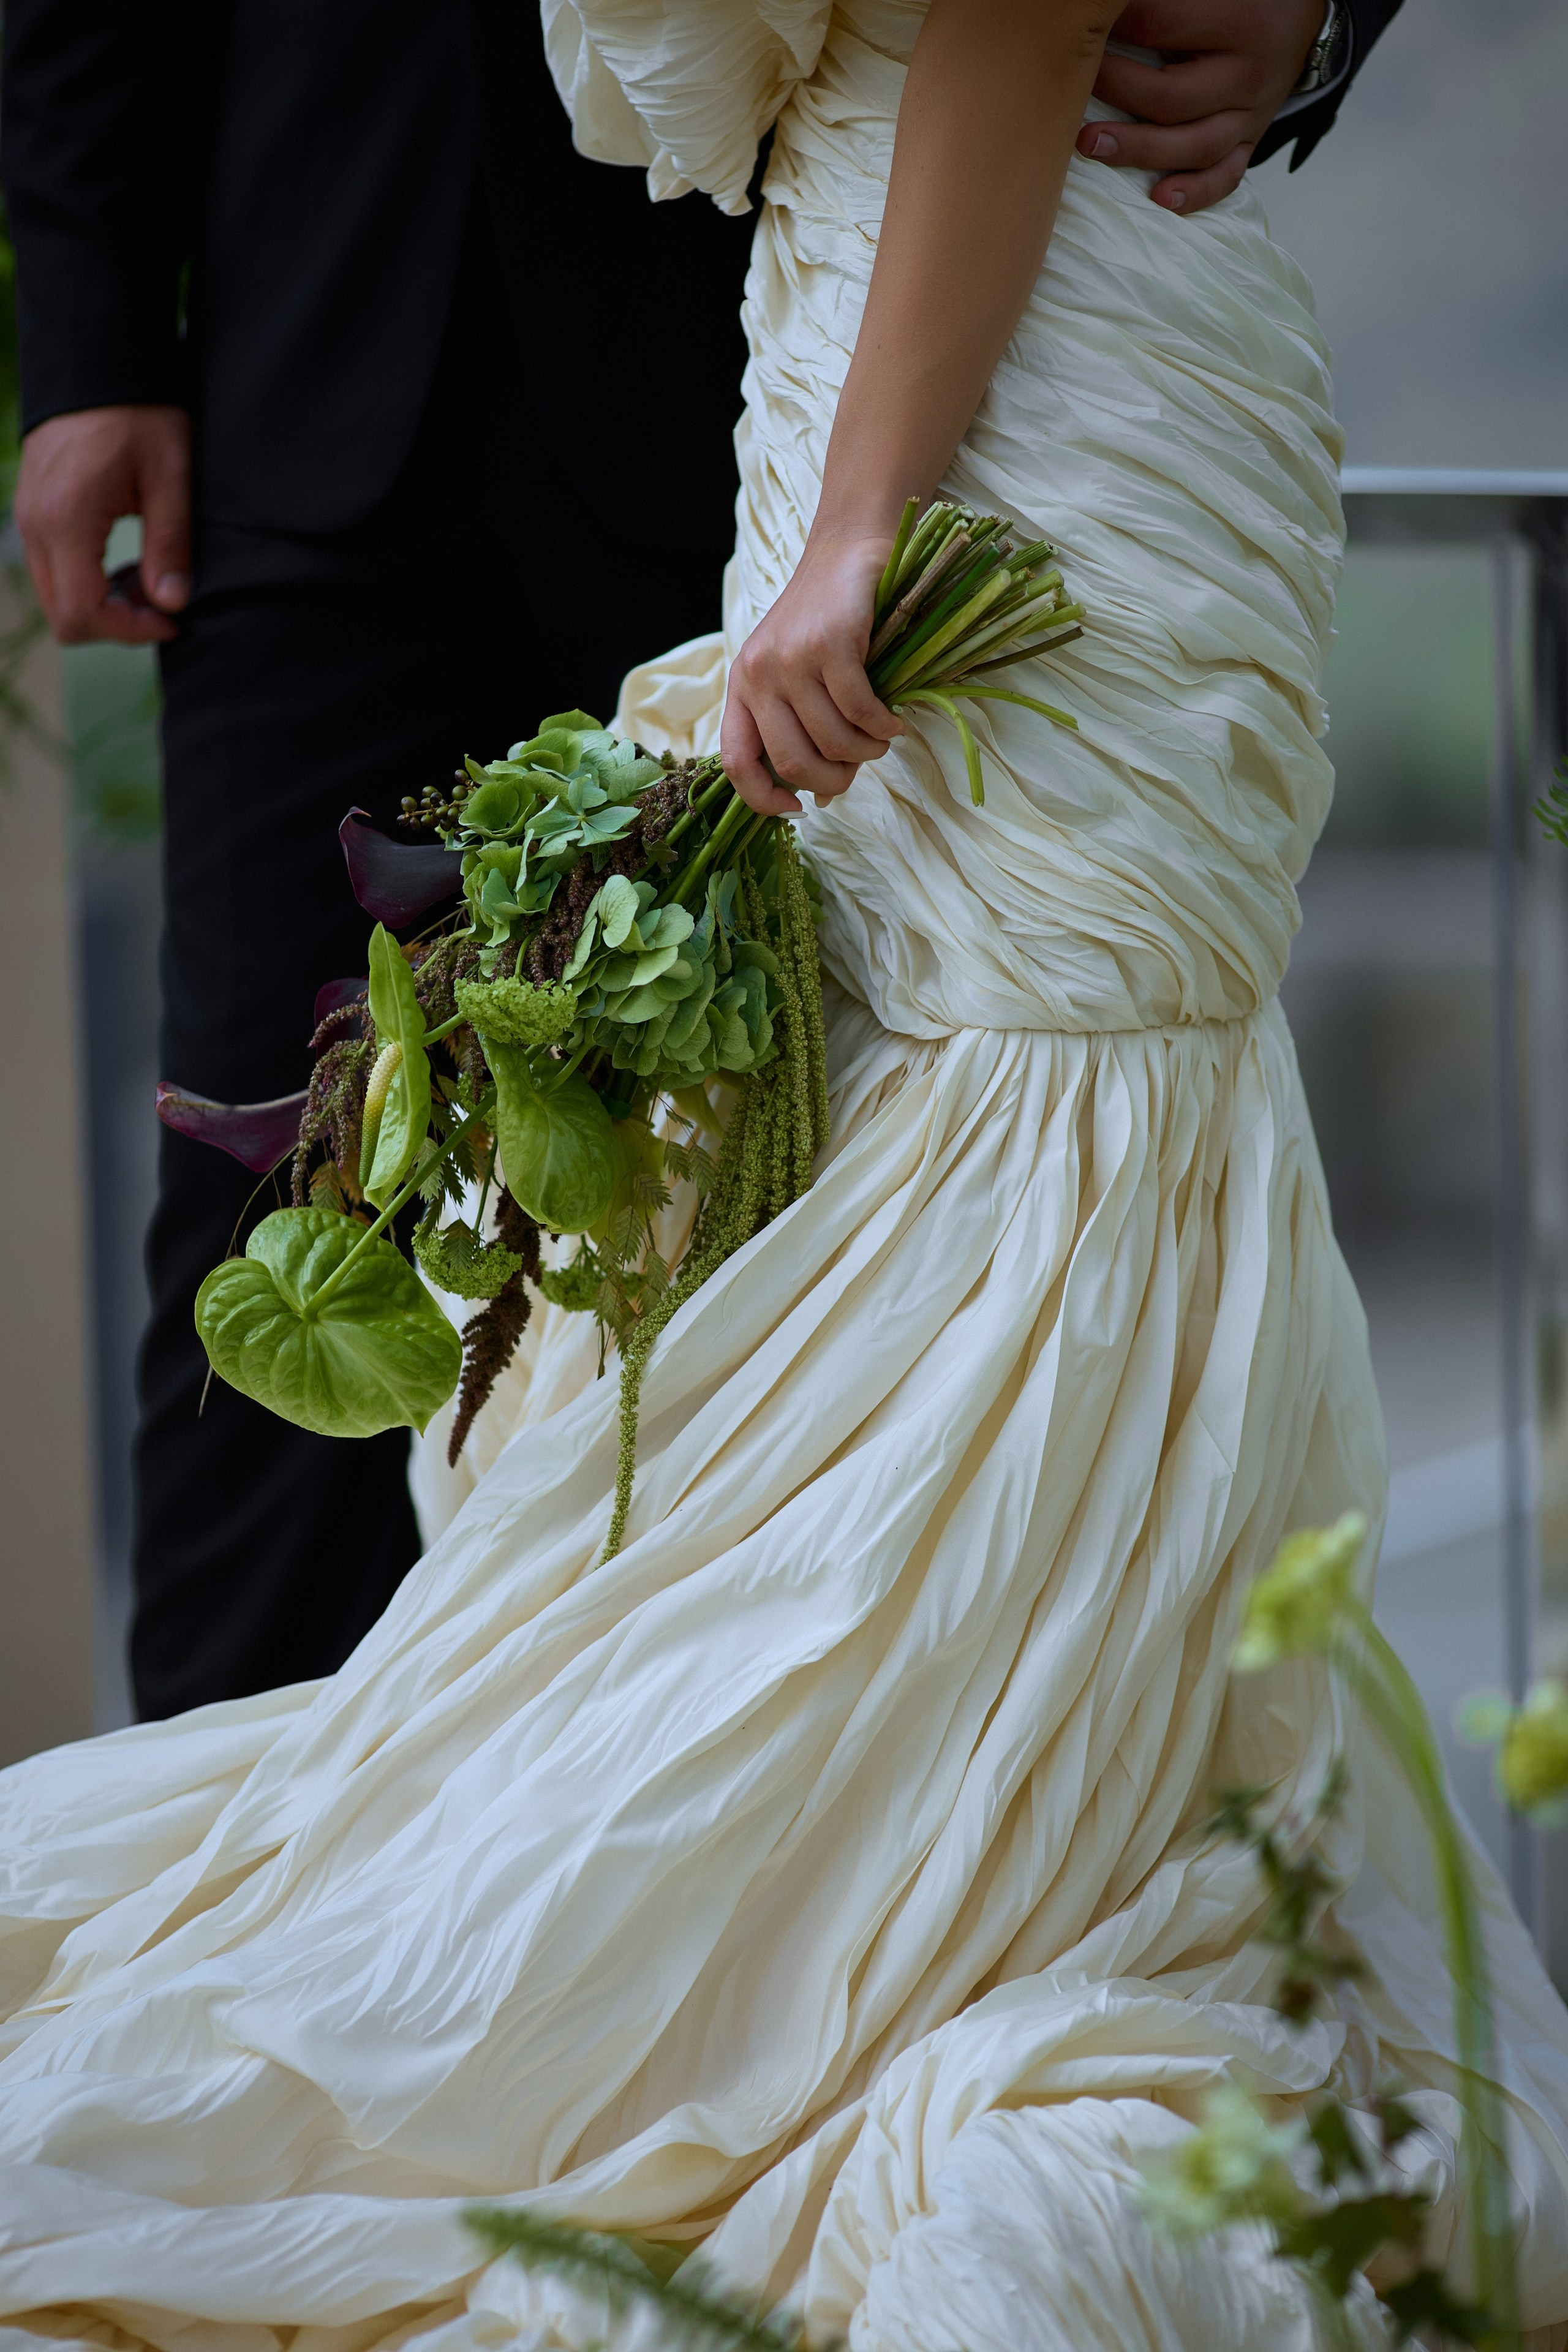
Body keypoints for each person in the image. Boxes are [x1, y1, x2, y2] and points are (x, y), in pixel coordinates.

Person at [12, 2, 1567, 2348]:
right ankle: (637, 1947)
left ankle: (814, 1945)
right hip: (596, 330)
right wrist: (97, 314)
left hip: (937, 373)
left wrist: (865, 518)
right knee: (386, 1247)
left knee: (994, 1159)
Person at [2, 0, 1399, 1722]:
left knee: (835, 1178)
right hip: (329, 333)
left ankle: (819, 1831)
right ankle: (263, 1893)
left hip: (814, 359)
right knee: (287, 1181)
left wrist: (1322, 17)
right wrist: (94, 336)